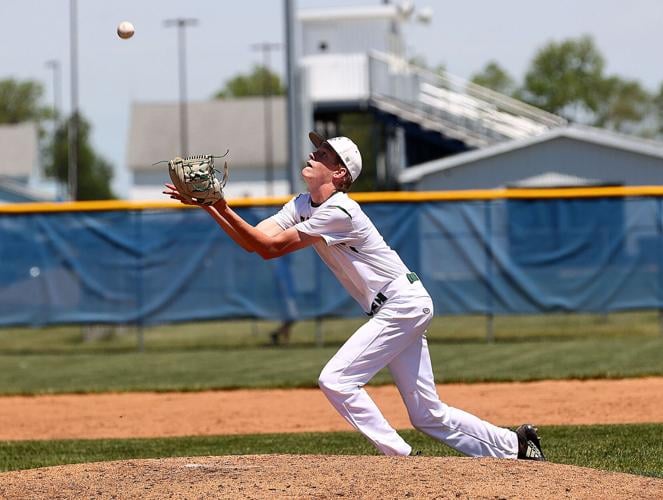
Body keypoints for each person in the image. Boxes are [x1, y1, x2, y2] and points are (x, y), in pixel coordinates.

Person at [163, 131, 545, 460]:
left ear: (340, 172)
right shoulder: (301, 204)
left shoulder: (340, 210)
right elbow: (256, 241)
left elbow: (269, 248)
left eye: (324, 154)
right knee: (427, 414)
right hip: (400, 305)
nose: (313, 154)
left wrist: (218, 203)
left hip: (402, 304)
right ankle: (516, 445)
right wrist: (210, 205)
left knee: (336, 379)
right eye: (316, 150)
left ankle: (400, 457)